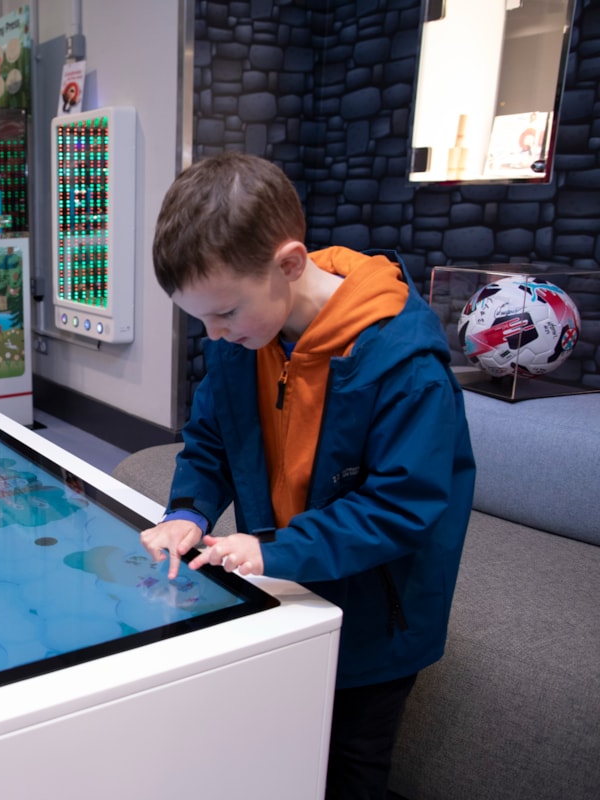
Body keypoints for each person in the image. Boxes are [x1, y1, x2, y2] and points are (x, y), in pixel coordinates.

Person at [140, 151, 474, 799]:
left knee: (351, 761)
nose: (212, 335)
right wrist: (187, 512)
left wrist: (274, 550)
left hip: (379, 617)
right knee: (281, 744)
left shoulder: (404, 364)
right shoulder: (244, 339)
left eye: (225, 314)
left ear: (289, 265)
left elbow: (402, 505)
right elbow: (211, 438)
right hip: (287, 583)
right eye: (199, 319)